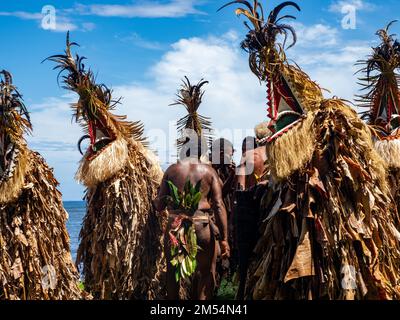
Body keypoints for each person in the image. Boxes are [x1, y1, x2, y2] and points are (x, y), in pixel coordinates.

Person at [155, 139, 230, 300]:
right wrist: (224, 239)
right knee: (205, 274)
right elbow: (218, 204)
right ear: (201, 153)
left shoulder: (171, 171)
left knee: (173, 273)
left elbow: (159, 206)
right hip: (201, 226)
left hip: (176, 226)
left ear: (184, 151)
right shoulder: (208, 172)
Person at [234, 123, 270, 300]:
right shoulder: (276, 155)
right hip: (270, 210)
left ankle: (242, 291)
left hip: (248, 207)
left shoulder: (248, 156)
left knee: (244, 257)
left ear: (256, 138)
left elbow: (239, 188)